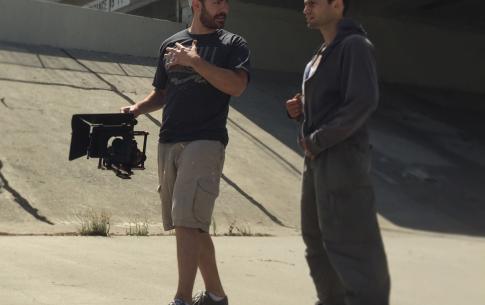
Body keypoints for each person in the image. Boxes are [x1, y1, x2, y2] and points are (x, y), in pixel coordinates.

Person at [120, 0, 250, 304]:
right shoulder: (171, 44)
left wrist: (196, 62)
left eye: (226, 3)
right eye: (216, 2)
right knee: (190, 222)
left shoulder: (233, 44)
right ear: (196, 4)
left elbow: (237, 86)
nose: (224, 9)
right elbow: (163, 92)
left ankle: (182, 298)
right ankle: (216, 296)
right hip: (169, 140)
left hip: (206, 139)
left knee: (186, 220)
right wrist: (137, 108)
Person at [285, 0, 390, 304]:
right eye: (304, 3)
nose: (306, 8)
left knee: (353, 245)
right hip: (316, 160)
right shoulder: (318, 55)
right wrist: (301, 109)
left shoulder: (355, 45)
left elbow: (362, 102)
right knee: (315, 240)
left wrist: (317, 139)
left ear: (337, 5)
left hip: (342, 160)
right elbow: (329, 103)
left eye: (313, 3)